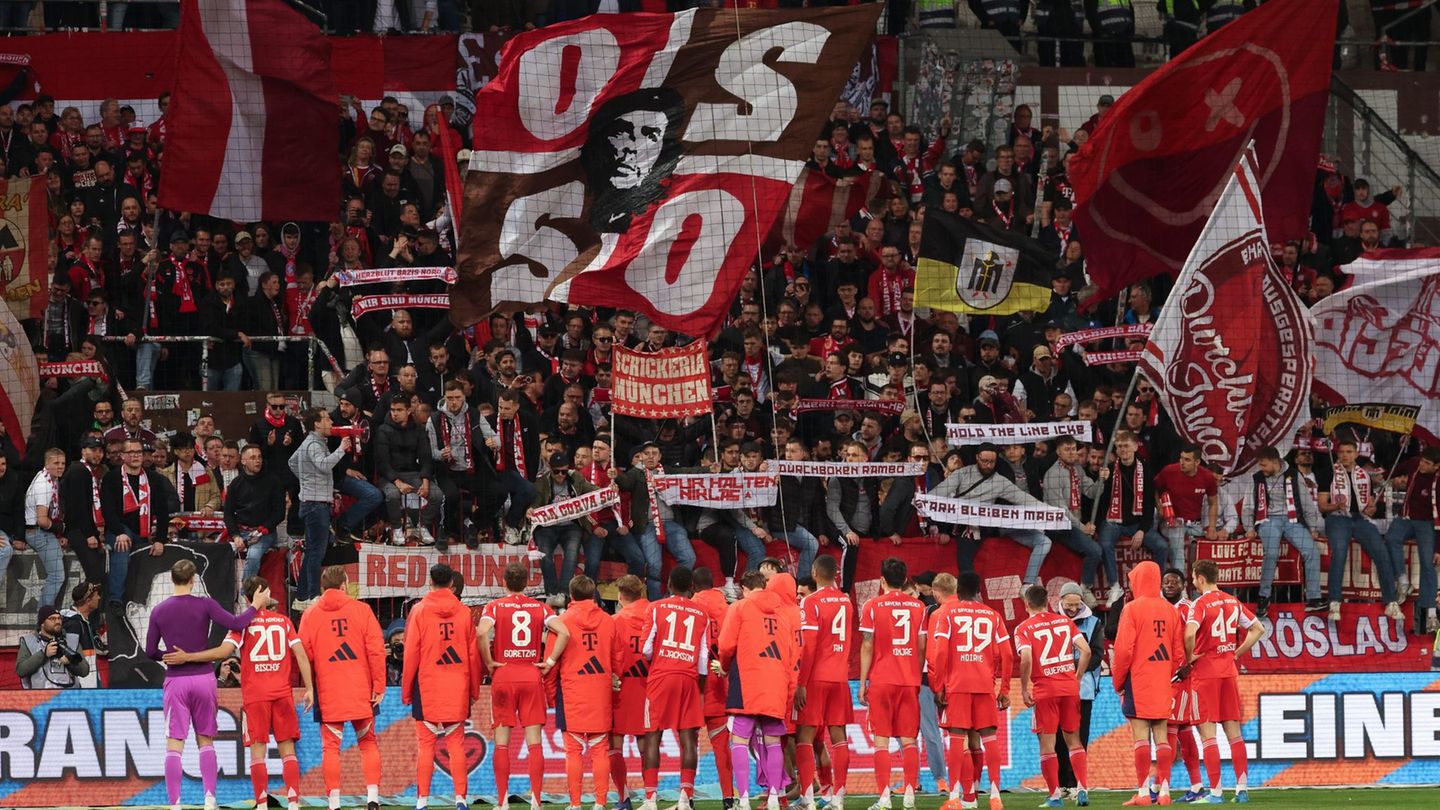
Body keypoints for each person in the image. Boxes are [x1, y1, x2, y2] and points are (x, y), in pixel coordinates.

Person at [166, 577, 315, 810]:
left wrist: (189, 657)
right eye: (267, 589)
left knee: (258, 752)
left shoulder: (242, 625)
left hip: (256, 696)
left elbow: (223, 652)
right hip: (282, 693)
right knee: (288, 750)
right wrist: (309, 688)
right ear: (260, 593)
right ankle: (294, 803)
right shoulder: (284, 622)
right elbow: (302, 655)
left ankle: (263, 804)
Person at [147, 560, 268, 810]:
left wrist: (168, 656)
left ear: (172, 580)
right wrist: (255, 606)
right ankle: (210, 800)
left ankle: (175, 804)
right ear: (193, 580)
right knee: (206, 741)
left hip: (176, 680)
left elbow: (150, 651)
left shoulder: (159, 610)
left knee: (174, 745)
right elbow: (236, 623)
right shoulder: (205, 604)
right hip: (204, 679)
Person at [479, 561, 571, 810]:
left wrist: (489, 662)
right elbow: (564, 632)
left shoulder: (494, 607)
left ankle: (501, 802)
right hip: (531, 675)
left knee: (501, 742)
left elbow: (480, 633)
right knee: (534, 742)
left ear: (505, 582)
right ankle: (537, 801)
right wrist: (549, 662)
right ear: (527, 582)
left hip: (504, 674)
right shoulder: (541, 608)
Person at [299, 565, 386, 810]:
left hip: (329, 692)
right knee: (368, 743)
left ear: (323, 588)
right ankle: (372, 798)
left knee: (330, 748)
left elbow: (304, 655)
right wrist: (379, 684)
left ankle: (334, 803)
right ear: (344, 586)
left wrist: (309, 687)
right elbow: (376, 650)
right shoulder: (363, 610)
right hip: (361, 690)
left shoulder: (310, 615)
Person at [716, 570, 799, 810]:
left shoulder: (740, 607)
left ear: (744, 588)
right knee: (773, 742)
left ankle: (743, 800)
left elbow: (725, 644)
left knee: (740, 741)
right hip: (776, 683)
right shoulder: (783, 612)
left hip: (747, 681)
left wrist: (723, 667)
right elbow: (791, 653)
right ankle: (775, 796)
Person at [1184, 559, 1266, 804]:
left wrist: (1189, 658)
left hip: (1205, 674)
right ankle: (1242, 789)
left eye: (1193, 577)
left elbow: (1189, 633)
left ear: (1200, 577)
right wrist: (1237, 653)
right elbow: (1258, 629)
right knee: (1235, 735)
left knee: (1208, 736)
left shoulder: (1199, 603)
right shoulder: (1233, 601)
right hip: (1228, 672)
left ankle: (1216, 793)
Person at [927, 571, 1010, 810]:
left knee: (957, 738)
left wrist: (939, 684)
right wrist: (1004, 688)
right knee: (989, 738)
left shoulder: (947, 613)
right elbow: (1007, 653)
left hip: (958, 684)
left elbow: (940, 652)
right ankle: (995, 797)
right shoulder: (993, 615)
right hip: (984, 684)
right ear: (977, 590)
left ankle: (955, 798)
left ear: (958, 588)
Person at [402, 563, 482, 810]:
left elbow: (411, 653)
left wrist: (406, 690)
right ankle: (460, 800)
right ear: (451, 585)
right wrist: (474, 691)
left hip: (428, 688)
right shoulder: (464, 612)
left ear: (430, 582)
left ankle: (422, 801)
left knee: (426, 745)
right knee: (456, 745)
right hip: (457, 687)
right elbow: (473, 655)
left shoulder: (419, 610)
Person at [1109, 561, 1184, 806]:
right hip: (1162, 680)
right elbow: (1178, 653)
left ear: (1139, 579)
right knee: (1162, 737)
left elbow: (1123, 651)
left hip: (1138, 680)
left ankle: (1142, 792)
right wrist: (1166, 673)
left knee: (1141, 738)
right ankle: (1164, 791)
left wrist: (1118, 681)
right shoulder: (1171, 609)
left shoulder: (1132, 609)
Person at [1013, 584, 1092, 808]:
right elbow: (1086, 651)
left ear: (1026, 604)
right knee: (1073, 740)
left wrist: (1024, 688)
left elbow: (1026, 658)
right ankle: (1082, 788)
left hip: (1045, 691)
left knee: (1047, 745)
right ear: (1048, 602)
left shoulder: (1024, 628)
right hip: (1069, 688)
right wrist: (1076, 678)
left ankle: (1055, 796)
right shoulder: (1065, 622)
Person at [930, 443, 1054, 585]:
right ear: (977, 457)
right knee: (965, 561)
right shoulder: (961, 474)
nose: (988, 465)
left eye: (992, 462)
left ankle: (1024, 586)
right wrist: (924, 502)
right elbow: (936, 495)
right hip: (961, 526)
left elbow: (1024, 498)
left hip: (984, 528)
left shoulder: (1000, 482)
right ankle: (970, 592)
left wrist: (1050, 511)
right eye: (985, 461)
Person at [858, 557, 927, 810]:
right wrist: (915, 674)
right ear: (905, 579)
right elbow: (921, 646)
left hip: (882, 680)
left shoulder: (872, 606)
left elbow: (867, 644)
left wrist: (863, 682)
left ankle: (885, 798)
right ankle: (909, 796)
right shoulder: (918, 607)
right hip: (908, 681)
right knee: (909, 740)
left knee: (881, 740)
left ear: (882, 580)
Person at [641, 566, 710, 810]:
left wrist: (661, 659)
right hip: (688, 678)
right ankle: (684, 799)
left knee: (653, 736)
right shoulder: (702, 613)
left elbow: (646, 649)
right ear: (691, 587)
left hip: (661, 677)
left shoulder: (655, 607)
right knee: (688, 739)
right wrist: (698, 687)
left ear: (668, 584)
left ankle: (650, 800)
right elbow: (703, 658)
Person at [796, 555, 854, 810]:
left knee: (805, 737)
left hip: (816, 677)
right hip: (839, 677)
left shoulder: (811, 602)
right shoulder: (846, 601)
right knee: (838, 736)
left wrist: (801, 682)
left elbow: (808, 646)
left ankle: (808, 799)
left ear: (815, 573)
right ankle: (838, 799)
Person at [1319, 439, 1400, 622]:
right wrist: (1335, 506)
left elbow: (1370, 505)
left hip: (1360, 519)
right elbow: (1323, 506)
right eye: (1341, 452)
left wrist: (1371, 509)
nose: (1345, 455)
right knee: (1339, 554)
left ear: (1356, 454)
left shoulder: (1364, 475)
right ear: (1337, 454)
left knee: (1382, 552)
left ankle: (1391, 602)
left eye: (1349, 451)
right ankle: (1334, 601)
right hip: (1338, 518)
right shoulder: (1328, 473)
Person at [555, 574, 618, 810]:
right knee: (600, 749)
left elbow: (553, 660)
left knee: (573, 750)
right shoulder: (608, 620)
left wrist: (551, 692)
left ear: (571, 595)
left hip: (572, 690)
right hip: (600, 690)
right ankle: (600, 803)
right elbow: (617, 657)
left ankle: (575, 804)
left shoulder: (563, 621)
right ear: (593, 595)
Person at [1241, 445, 1325, 619]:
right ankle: (1264, 597)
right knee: (1271, 554)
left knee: (1312, 552)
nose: (1261, 469)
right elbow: (1248, 505)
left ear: (1275, 462)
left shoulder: (1294, 475)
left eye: (1264, 465)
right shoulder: (1256, 478)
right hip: (1267, 520)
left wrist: (1313, 528)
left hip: (1292, 520)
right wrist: (1249, 527)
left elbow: (1307, 502)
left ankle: (1314, 599)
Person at [290, 407, 352, 608]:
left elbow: (292, 462)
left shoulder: (309, 442)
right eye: (327, 419)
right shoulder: (314, 444)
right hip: (316, 505)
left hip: (312, 502)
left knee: (312, 551)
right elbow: (324, 465)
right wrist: (342, 448)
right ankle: (313, 596)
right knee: (317, 552)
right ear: (316, 423)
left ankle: (301, 597)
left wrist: (307, 480)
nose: (331, 422)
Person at [1096, 431, 1168, 606]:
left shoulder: (1147, 469)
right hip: (1114, 522)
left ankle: (1157, 587)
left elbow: (1149, 504)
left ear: (1136, 446)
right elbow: (1099, 500)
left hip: (1138, 522)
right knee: (1104, 544)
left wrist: (1142, 530)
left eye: (1126, 445)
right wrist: (1101, 482)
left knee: (1162, 546)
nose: (1123, 449)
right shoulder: (1109, 469)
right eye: (1119, 446)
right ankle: (1115, 586)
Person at [101, 438, 171, 611]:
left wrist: (161, 540)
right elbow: (108, 511)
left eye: (138, 452)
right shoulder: (111, 478)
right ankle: (115, 599)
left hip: (145, 529)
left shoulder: (154, 478)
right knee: (122, 547)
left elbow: (163, 512)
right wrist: (119, 532)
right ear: (123, 456)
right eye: (131, 452)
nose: (136, 456)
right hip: (119, 529)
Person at [691, 567, 736, 810]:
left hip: (694, 686)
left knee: (689, 743)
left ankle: (686, 798)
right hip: (720, 683)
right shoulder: (729, 608)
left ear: (693, 586)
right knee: (721, 746)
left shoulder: (690, 608)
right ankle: (729, 798)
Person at [1160, 569, 1205, 803]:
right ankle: (1196, 786)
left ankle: (1162, 786)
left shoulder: (1188, 608)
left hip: (1182, 677)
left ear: (1183, 585)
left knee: (1169, 727)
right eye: (1166, 582)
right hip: (1167, 675)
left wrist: (1189, 663)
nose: (1169, 585)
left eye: (1174, 582)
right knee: (1185, 730)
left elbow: (1198, 638)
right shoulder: (1160, 608)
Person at [529, 451, 602, 596]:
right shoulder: (541, 482)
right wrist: (531, 510)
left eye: (564, 472)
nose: (561, 475)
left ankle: (563, 594)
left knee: (572, 554)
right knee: (544, 555)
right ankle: (551, 594)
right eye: (556, 472)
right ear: (550, 468)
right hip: (547, 527)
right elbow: (535, 503)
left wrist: (608, 491)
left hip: (571, 527)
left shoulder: (576, 478)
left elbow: (593, 491)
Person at [1385, 447, 1440, 633]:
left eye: (1427, 464)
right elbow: (1392, 469)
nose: (1422, 465)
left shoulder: (1438, 482)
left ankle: (1431, 614)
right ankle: (1403, 580)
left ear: (1437, 467)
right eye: (1422, 461)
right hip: (1405, 519)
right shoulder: (1414, 463)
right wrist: (1382, 475)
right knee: (1391, 538)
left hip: (1427, 524)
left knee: (1427, 563)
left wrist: (1439, 548)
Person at [610, 574, 652, 810]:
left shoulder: (615, 620)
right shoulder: (654, 615)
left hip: (622, 687)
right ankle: (650, 797)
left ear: (620, 595)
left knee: (614, 744)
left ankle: (623, 798)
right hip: (648, 687)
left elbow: (612, 655)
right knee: (646, 745)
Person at [1041, 435, 1106, 588]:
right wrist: (1082, 527)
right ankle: (1085, 587)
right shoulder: (1053, 474)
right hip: (1058, 526)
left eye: (1073, 449)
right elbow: (1061, 510)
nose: (1071, 453)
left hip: (1074, 523)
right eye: (1067, 449)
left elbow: (1091, 492)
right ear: (1058, 452)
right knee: (1095, 550)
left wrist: (1101, 480)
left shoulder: (1077, 468)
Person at [377, 395, 441, 545]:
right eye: (392, 410)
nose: (395, 413)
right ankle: (397, 528)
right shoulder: (383, 430)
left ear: (409, 410)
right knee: (392, 495)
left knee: (437, 495)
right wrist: (398, 483)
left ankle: (422, 525)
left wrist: (425, 482)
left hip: (414, 474)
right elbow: (382, 463)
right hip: (389, 476)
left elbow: (426, 459)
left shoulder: (419, 430)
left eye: (399, 410)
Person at [1151, 445, 1220, 572]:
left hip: (1196, 525)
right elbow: (1153, 487)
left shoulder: (1207, 477)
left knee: (1219, 536)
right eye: (1181, 458)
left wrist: (1212, 528)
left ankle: (1203, 585)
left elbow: (1213, 503)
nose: (1182, 463)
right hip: (1172, 522)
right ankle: (1180, 585)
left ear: (1197, 462)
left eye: (1187, 460)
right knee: (1177, 542)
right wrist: (1159, 506)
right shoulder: (1169, 471)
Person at [224, 445, 286, 582]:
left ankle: (245, 596)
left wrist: (262, 530)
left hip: (265, 533)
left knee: (253, 554)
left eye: (259, 457)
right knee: (221, 553)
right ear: (243, 461)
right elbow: (228, 513)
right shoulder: (236, 484)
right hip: (241, 532)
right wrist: (235, 535)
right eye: (253, 458)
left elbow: (279, 513)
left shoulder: (273, 481)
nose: (258, 461)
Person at [60, 437, 110, 593]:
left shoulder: (85, 471)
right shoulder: (79, 472)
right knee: (95, 577)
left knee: (97, 577)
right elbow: (79, 506)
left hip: (84, 530)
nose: (98, 454)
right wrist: (89, 534)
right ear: (83, 451)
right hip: (79, 532)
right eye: (93, 450)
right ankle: (87, 614)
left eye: (100, 451)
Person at [24, 448, 68, 612]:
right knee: (57, 576)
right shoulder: (44, 485)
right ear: (46, 464)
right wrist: (60, 528)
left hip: (42, 532)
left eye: (63, 463)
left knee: (57, 575)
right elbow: (42, 520)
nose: (60, 466)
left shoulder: (51, 478)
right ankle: (44, 619)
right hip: (38, 533)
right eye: (56, 463)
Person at [17, 604, 90, 689]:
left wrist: (70, 663)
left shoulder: (72, 640)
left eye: (59, 618)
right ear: (42, 623)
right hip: (41, 698)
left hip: (69, 697)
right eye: (52, 619)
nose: (57, 621)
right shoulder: (29, 641)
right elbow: (21, 670)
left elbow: (85, 671)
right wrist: (44, 654)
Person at [60, 581, 104, 685]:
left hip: (90, 679)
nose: (99, 598)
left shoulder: (82, 621)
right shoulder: (74, 625)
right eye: (96, 595)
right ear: (88, 601)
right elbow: (70, 655)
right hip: (82, 684)